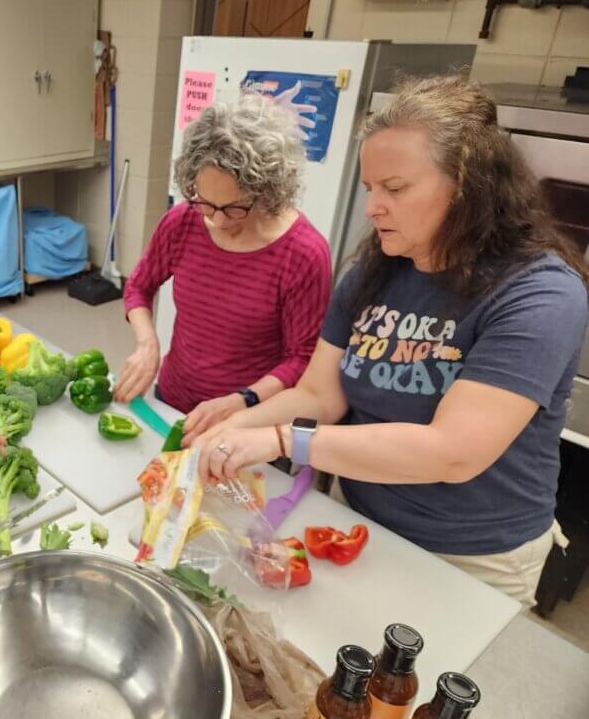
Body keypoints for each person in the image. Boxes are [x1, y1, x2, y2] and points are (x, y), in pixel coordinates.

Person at [194, 75, 589, 607]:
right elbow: (319, 396)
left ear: (469, 184)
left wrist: (285, 441)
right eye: (369, 190)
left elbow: (452, 453)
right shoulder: (375, 273)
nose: (373, 207)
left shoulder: (539, 293)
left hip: (471, 557)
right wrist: (230, 426)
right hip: (360, 521)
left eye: (395, 188)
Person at [113, 92, 332, 446]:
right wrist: (147, 343)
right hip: (172, 400)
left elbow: (302, 358)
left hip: (246, 424)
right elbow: (139, 285)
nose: (215, 219)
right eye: (205, 202)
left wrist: (243, 400)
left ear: (268, 192)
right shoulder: (183, 221)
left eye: (232, 209)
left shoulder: (303, 254)